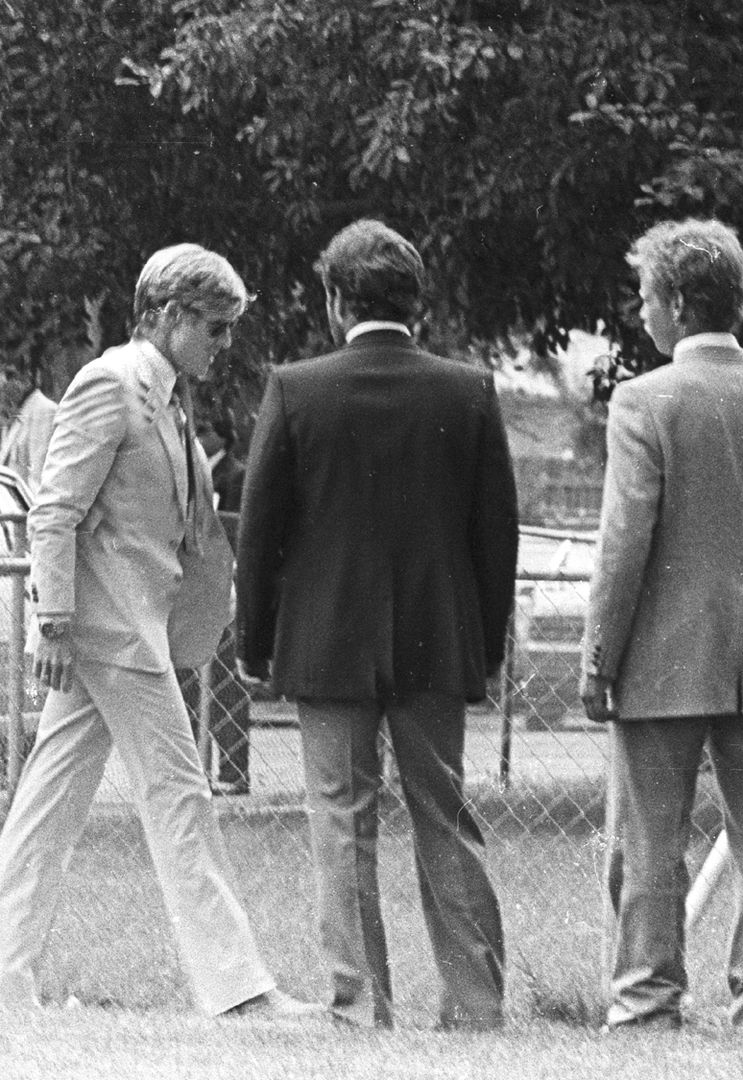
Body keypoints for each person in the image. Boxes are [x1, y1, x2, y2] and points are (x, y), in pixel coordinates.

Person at [0, 244, 329, 1025]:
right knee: (182, 797)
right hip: (110, 634)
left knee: (47, 802)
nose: (224, 344)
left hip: (129, 629)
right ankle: (235, 988)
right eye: (216, 326)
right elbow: (54, 510)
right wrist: (53, 624)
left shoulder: (163, 395)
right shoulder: (109, 385)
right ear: (165, 315)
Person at [235, 219, 518, 1031]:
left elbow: (259, 535)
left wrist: (256, 643)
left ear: (333, 300)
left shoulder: (295, 387)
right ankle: (474, 1002)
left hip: (325, 642)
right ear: (416, 301)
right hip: (438, 637)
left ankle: (361, 1006)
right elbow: (496, 534)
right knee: (445, 815)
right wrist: (487, 647)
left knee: (339, 820)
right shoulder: (469, 390)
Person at [582, 219, 743, 1035]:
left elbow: (624, 546)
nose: (642, 311)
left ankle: (647, 1000)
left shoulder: (643, 402)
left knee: (649, 841)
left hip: (660, 659)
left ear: (679, 303)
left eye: (647, 296)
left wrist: (597, 657)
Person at [182, 413, 251, 795]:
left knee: (227, 683)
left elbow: (236, 527)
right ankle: (195, 768)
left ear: (222, 436)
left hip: (226, 588)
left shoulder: (235, 475)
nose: (198, 435)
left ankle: (234, 771)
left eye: (205, 429)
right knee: (191, 683)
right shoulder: (192, 472)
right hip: (193, 589)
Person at [0, 365, 58, 497]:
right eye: (2, 376)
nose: (4, 382)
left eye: (10, 376)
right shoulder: (15, 411)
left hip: (24, 507)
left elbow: (38, 476)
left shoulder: (44, 410)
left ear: (27, 379)